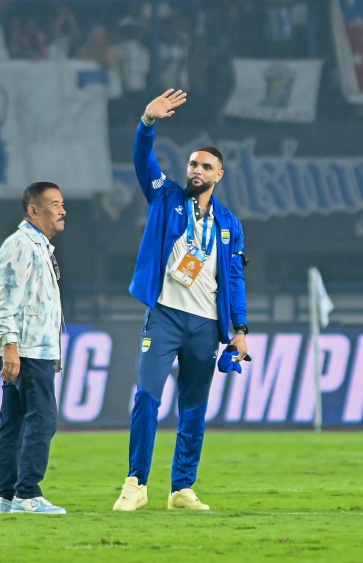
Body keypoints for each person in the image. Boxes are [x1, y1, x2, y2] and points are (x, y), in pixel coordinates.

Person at [112, 89, 249, 512]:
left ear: (219, 175)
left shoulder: (228, 224)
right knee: (147, 398)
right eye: (192, 164)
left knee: (193, 409)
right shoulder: (166, 196)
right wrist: (147, 122)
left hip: (206, 324)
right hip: (166, 317)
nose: (196, 170)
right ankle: (136, 483)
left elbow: (234, 277)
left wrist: (240, 329)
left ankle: (181, 489)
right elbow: (143, 161)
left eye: (206, 166)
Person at [0, 181, 68, 515]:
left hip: (29, 347)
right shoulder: (21, 245)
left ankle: (9, 496)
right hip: (28, 349)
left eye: (62, 204)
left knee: (16, 422)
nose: (63, 211)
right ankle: (27, 494)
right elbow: (4, 299)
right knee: (42, 419)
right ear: (34, 210)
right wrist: (9, 345)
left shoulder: (38, 247)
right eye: (55, 204)